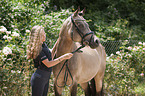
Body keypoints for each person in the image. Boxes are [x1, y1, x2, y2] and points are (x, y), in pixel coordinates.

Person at [26, 25, 73, 96]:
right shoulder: (38, 50)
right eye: (42, 35)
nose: (44, 36)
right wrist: (63, 57)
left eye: (44, 34)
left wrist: (59, 43)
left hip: (45, 77)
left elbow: (50, 54)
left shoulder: (43, 45)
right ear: (37, 37)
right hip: (39, 78)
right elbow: (48, 64)